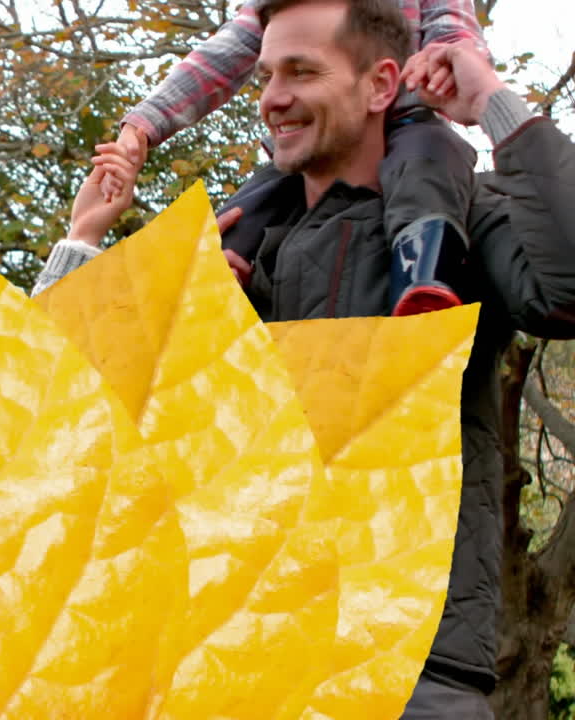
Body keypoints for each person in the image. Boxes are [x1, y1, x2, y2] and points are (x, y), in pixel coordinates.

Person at [36, 1, 575, 717]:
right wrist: (82, 243)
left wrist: (492, 105)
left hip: (411, 664)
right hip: (234, 656)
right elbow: (59, 403)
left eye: (301, 72)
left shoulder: (466, 215)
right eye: (264, 76)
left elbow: (564, 290)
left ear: (382, 85)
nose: (272, 98)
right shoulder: (235, 240)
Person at [101, 0, 487, 316]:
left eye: (299, 71)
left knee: (431, 168)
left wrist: (444, 64)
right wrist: (145, 123)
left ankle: (423, 275)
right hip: (319, 140)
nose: (274, 94)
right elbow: (226, 53)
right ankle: (185, 307)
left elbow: (454, 30)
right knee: (242, 215)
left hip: (409, 119)